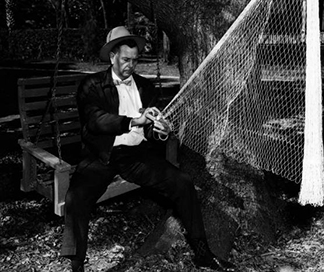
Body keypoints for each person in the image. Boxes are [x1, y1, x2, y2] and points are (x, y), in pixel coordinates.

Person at [60, 26, 236, 272]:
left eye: (134, 60)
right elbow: (95, 120)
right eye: (125, 60)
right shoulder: (92, 85)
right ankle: (77, 264)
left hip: (136, 155)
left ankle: (203, 252)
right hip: (102, 155)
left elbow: (153, 132)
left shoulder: (145, 87)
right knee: (75, 198)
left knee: (183, 183)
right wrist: (133, 121)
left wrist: (160, 129)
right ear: (112, 56)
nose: (130, 65)